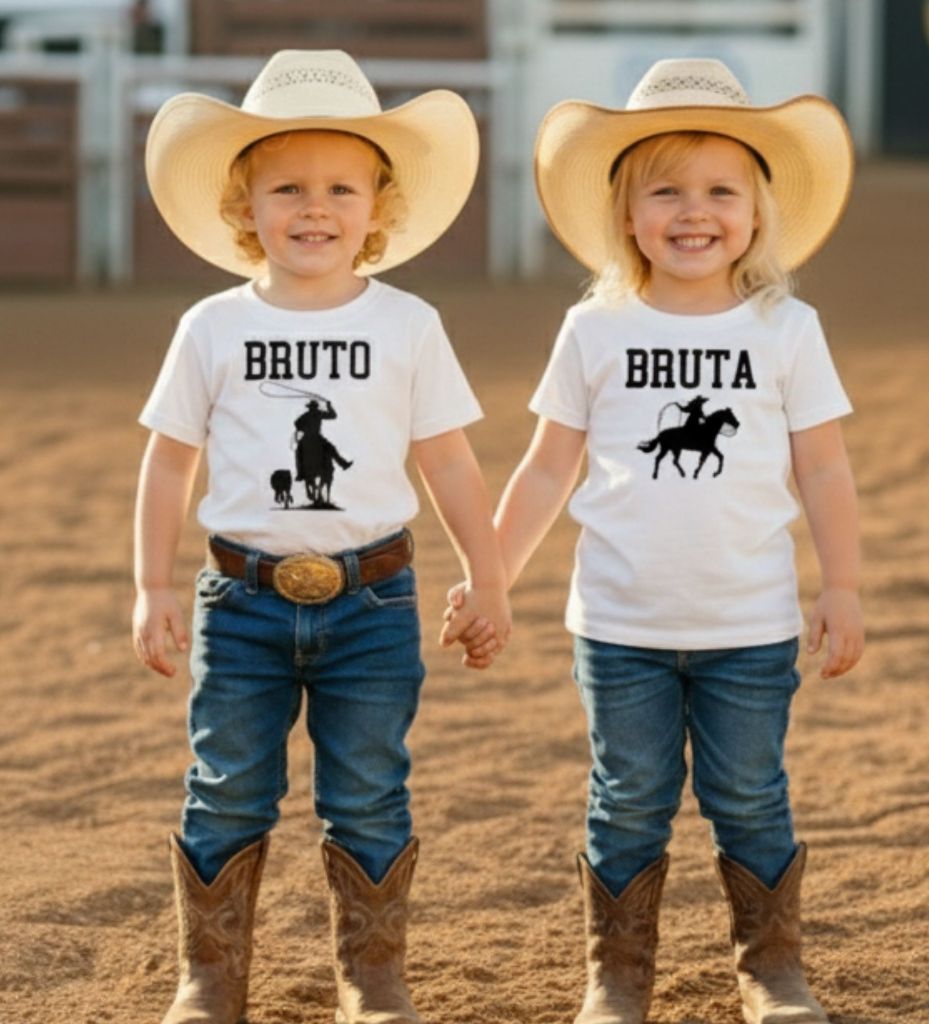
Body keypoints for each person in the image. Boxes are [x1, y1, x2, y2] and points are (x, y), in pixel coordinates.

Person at [445, 58, 864, 1023]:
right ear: (627, 215)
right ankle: (618, 976)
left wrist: (841, 585)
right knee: (628, 796)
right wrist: (490, 577)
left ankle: (771, 969)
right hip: (619, 624)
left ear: (756, 213)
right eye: (665, 191)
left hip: (749, 625)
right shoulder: (595, 329)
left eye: (721, 191)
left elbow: (824, 469)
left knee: (750, 794)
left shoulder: (787, 329)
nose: (694, 212)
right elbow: (548, 469)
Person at [132, 49, 509, 1024]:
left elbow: (450, 463)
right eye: (287, 188)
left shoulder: (408, 324)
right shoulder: (211, 327)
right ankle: (210, 979)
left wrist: (490, 576)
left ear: (377, 207)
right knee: (225, 787)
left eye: (341, 187)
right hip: (241, 601)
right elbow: (169, 464)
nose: (314, 208)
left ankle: (371, 979)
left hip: (374, 602)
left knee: (371, 788)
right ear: (244, 206)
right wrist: (152, 586)